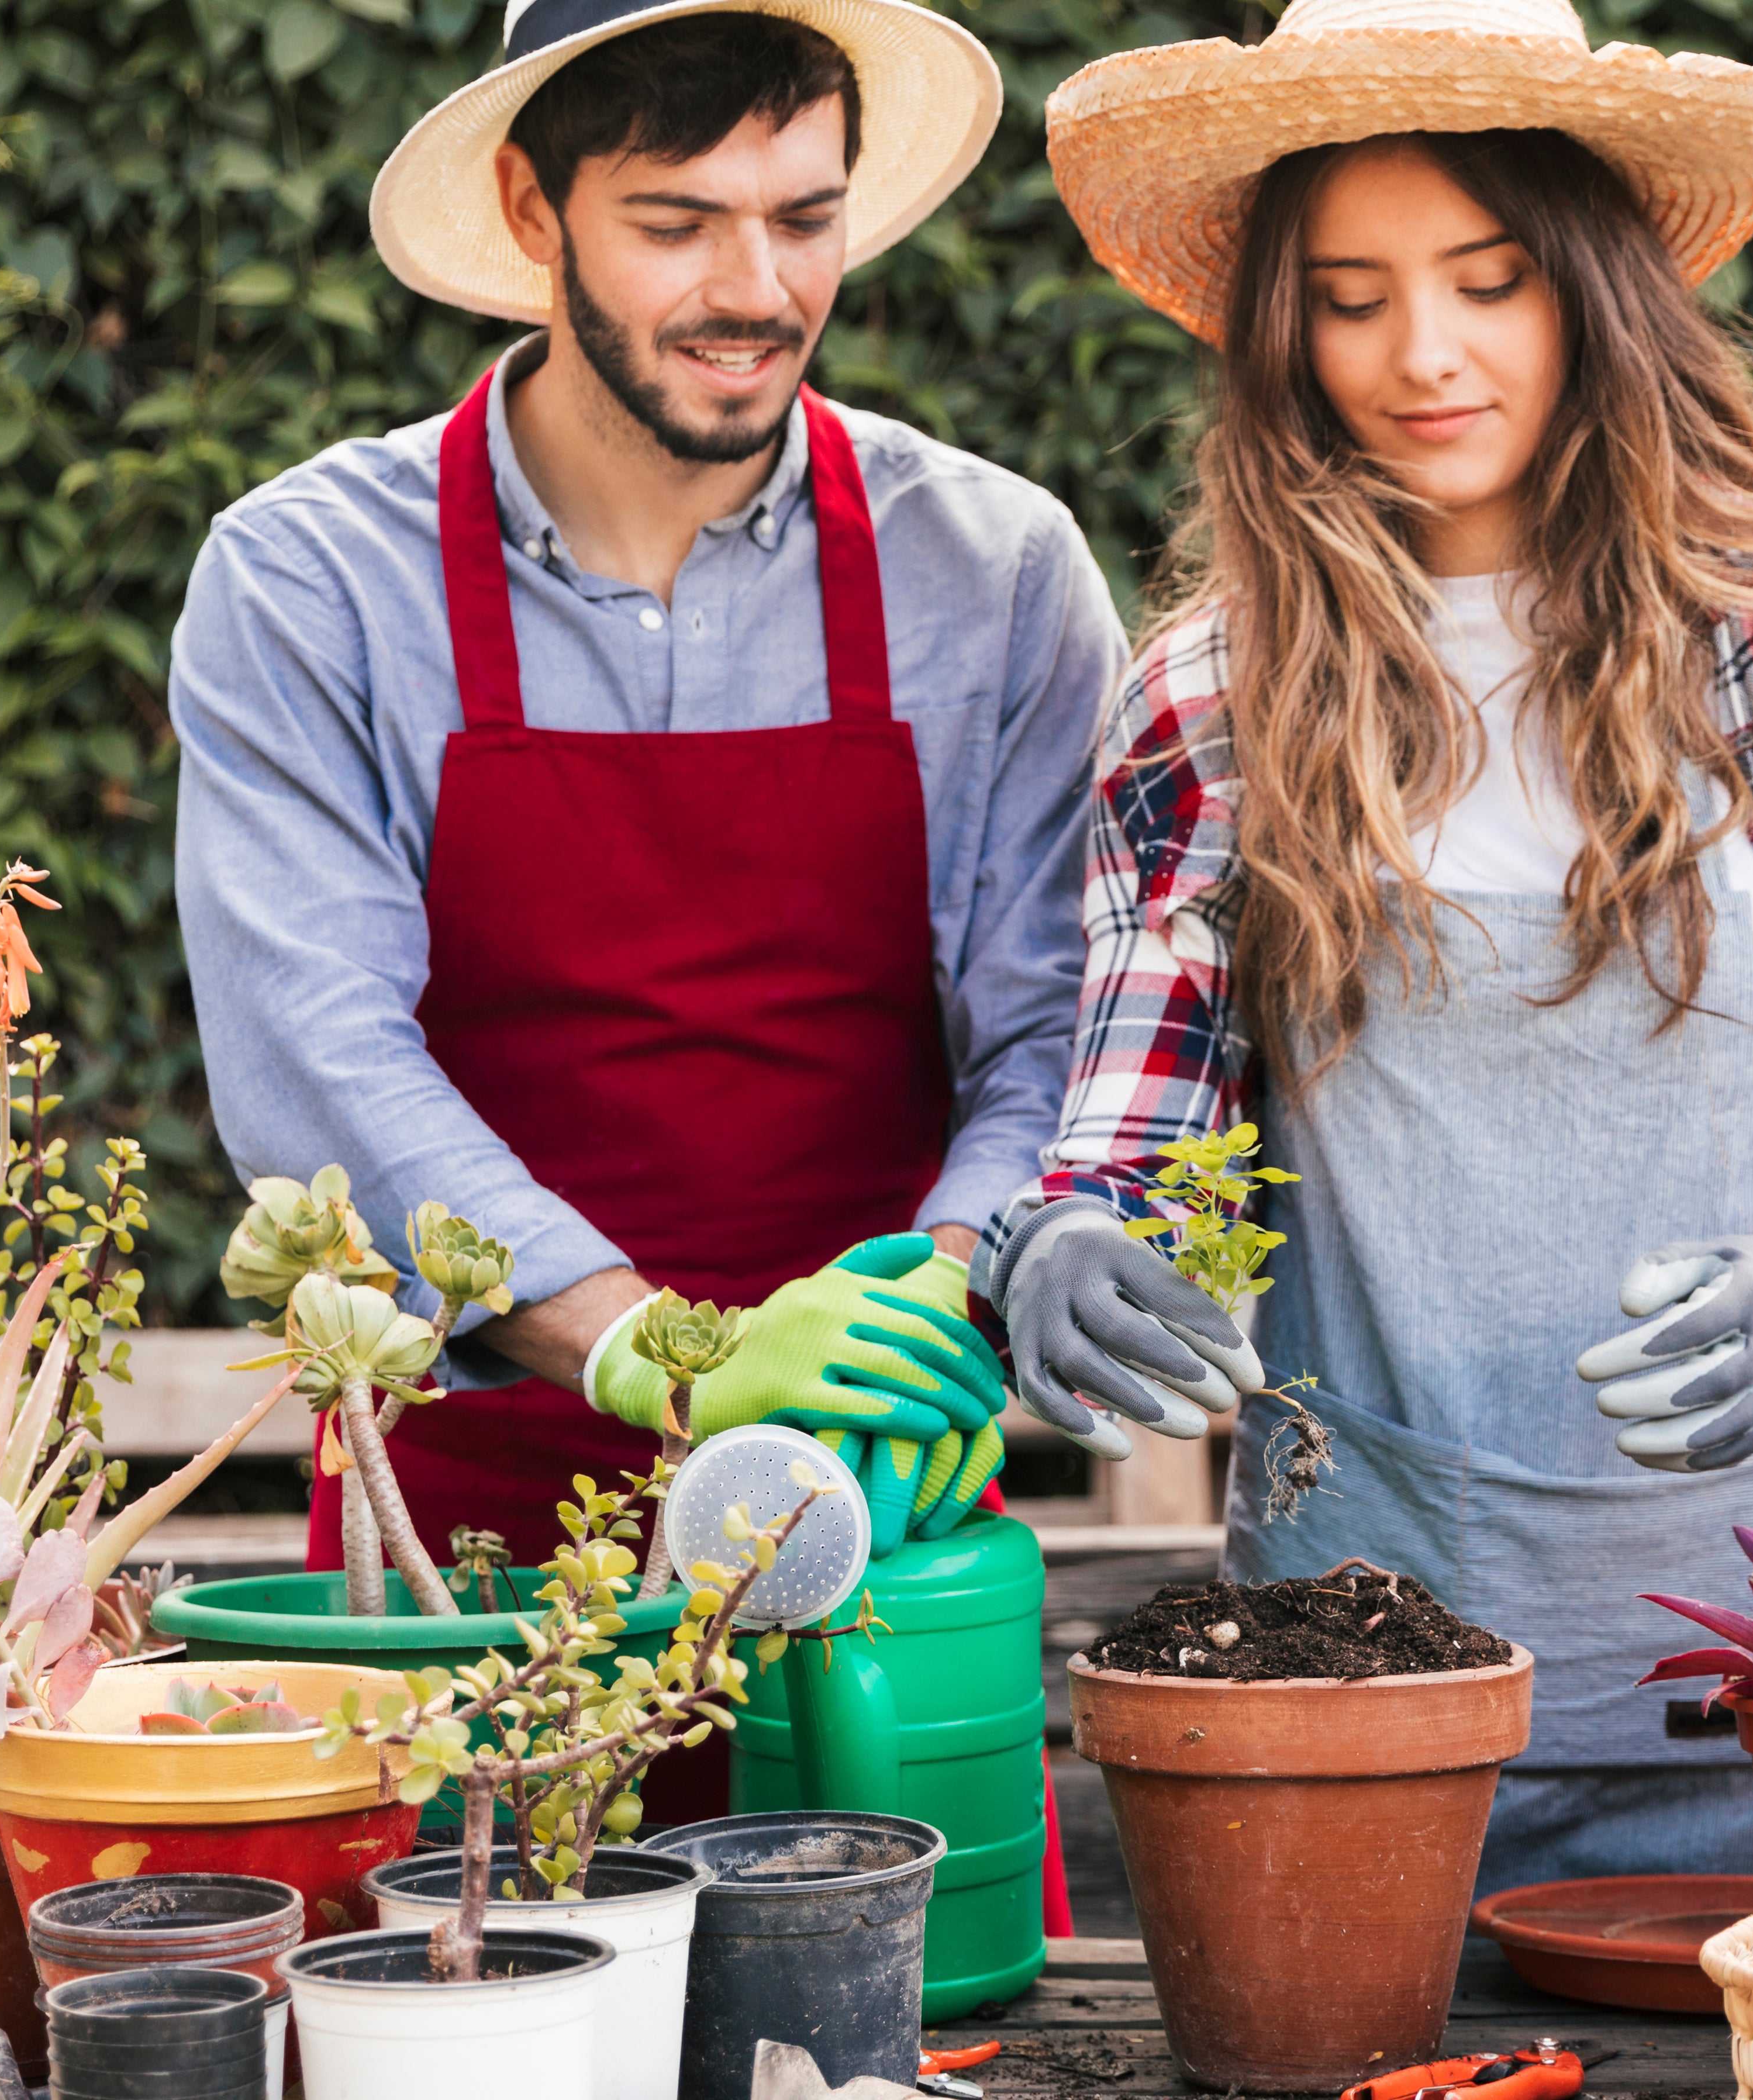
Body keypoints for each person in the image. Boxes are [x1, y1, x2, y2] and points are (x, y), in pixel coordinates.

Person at [996, 0, 1753, 1883]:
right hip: (1347, 1697)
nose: (1424, 355)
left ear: (1592, 287)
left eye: (1487, 280)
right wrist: (1067, 1242)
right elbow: (1135, 1147)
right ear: (1281, 332)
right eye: (1352, 295)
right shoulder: (1217, 698)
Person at [169, 0, 1153, 1609]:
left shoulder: (994, 572)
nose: (755, 292)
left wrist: (928, 1319)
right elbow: (314, 1052)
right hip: (458, 1549)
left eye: (804, 219)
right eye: (677, 224)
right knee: (475, 1881)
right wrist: (654, 1349)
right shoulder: (314, 581)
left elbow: (1058, 1021)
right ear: (530, 209)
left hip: (878, 1518)